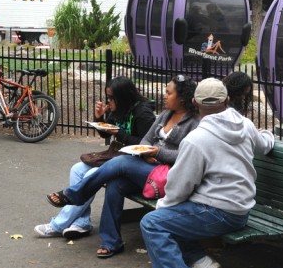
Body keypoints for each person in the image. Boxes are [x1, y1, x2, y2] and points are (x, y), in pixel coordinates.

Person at [140, 77, 275, 268]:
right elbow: (264, 145)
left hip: (217, 211)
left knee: (153, 222)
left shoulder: (196, 140)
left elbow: (179, 187)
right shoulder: (244, 124)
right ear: (227, 100)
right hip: (240, 208)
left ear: (195, 102)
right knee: (174, 215)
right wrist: (269, 135)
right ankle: (199, 263)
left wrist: (163, 206)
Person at [45, 75, 198, 257]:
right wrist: (145, 150)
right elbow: (146, 139)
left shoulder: (194, 122)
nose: (164, 96)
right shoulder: (166, 115)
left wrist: (157, 152)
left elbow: (187, 156)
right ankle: (112, 242)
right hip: (148, 168)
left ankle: (74, 194)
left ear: (181, 97)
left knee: (121, 162)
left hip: (169, 174)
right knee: (115, 183)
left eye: (168, 93)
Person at [36, 76, 158, 243]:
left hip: (133, 164)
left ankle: (58, 225)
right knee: (77, 169)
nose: (108, 101)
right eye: (107, 97)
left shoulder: (142, 113)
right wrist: (100, 118)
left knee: (92, 173)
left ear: (122, 97)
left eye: (111, 98)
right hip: (116, 156)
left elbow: (146, 145)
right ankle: (82, 222)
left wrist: (119, 133)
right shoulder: (120, 109)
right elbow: (107, 132)